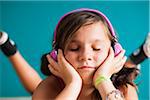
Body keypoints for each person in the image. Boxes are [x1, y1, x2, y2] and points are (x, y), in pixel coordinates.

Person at [0, 8, 148, 99]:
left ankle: (135, 59)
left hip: (112, 76)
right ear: (57, 54)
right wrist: (73, 84)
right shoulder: (48, 87)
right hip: (57, 85)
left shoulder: (124, 90)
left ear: (114, 53)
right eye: (74, 48)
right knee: (36, 88)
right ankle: (10, 49)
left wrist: (102, 80)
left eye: (96, 48)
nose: (85, 56)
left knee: (127, 73)